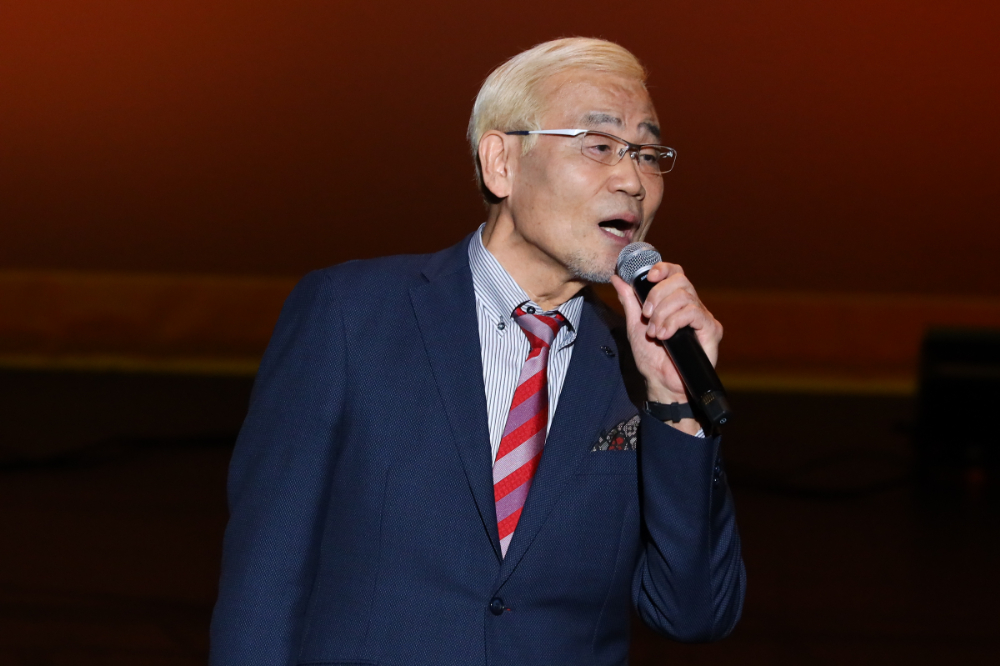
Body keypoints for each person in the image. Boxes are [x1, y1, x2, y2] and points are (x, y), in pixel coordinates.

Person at [210, 37, 745, 665]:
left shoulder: (640, 367)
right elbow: (265, 576)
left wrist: (675, 406)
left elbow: (694, 614)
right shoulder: (351, 313)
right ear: (501, 163)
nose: (632, 181)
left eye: (648, 154)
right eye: (599, 145)